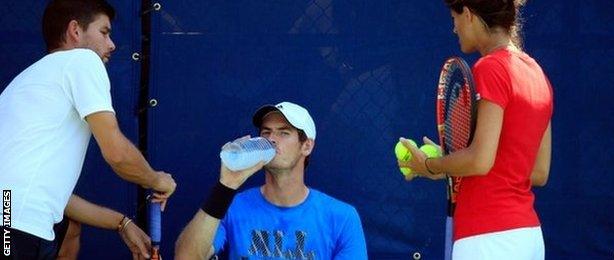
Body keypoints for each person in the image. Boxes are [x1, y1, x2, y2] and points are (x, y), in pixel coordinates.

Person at [0, 0, 176, 258]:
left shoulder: (27, 82)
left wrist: (122, 222)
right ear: (75, 30)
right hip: (13, 225)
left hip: (10, 218)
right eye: (104, 32)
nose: (112, 44)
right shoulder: (81, 60)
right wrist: (156, 180)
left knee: (70, 225)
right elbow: (117, 154)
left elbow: (49, 197)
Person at [397, 0, 553, 259]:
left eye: (454, 18)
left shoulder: (490, 68)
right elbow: (537, 172)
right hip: (528, 237)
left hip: (488, 239)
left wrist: (431, 165)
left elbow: (480, 160)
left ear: (468, 14)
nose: (454, 28)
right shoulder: (538, 74)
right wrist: (451, 162)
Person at [175, 102, 367, 259]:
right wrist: (226, 186)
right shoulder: (232, 207)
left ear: (306, 146)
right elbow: (186, 257)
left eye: (284, 133)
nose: (272, 139)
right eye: (266, 132)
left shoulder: (341, 216)